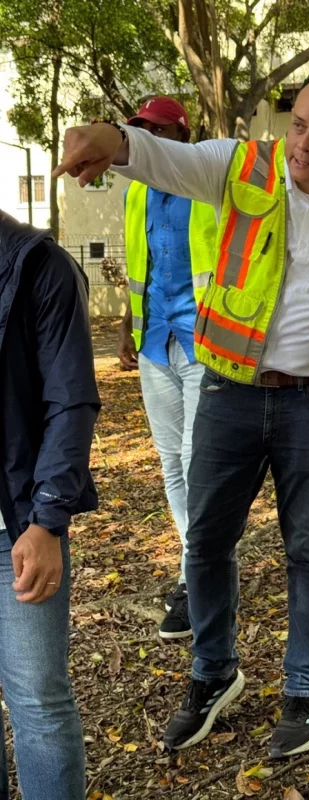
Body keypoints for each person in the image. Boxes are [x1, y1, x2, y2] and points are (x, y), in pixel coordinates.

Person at [55, 66, 309, 758]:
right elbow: (162, 157)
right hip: (229, 388)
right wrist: (110, 138)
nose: (306, 144)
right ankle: (212, 673)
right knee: (205, 542)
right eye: (299, 125)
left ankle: (308, 688)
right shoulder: (244, 165)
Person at [0, 210, 101, 799]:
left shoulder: (41, 266)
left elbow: (71, 402)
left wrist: (46, 518)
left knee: (37, 695)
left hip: (15, 524)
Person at [118, 97, 217, 640]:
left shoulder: (209, 187)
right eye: (141, 131)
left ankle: (197, 577)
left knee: (192, 458)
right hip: (154, 341)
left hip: (205, 343)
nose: (148, 139)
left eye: (158, 130)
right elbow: (141, 266)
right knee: (170, 464)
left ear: (183, 135)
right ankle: (195, 567)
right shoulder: (136, 193)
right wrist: (128, 323)